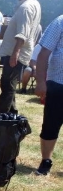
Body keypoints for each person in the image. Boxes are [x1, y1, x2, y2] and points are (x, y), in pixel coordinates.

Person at [0, 0, 41, 114]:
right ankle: (12, 113)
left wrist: (15, 53)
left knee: (7, 86)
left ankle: (1, 118)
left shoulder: (26, 7)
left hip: (14, 53)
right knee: (10, 85)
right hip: (16, 51)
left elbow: (23, 33)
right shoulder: (34, 4)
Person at [33, 15, 63, 176]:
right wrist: (40, 82)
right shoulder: (60, 21)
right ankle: (46, 161)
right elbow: (43, 54)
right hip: (58, 82)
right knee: (51, 124)